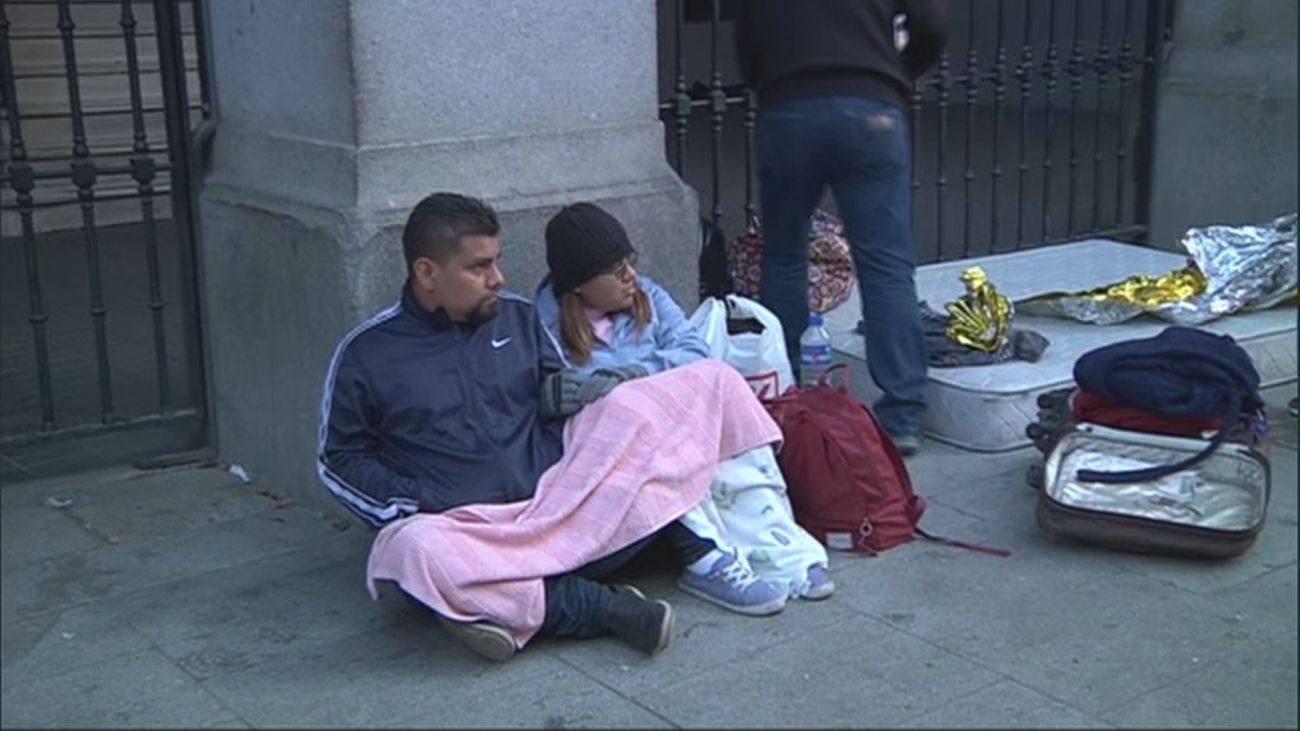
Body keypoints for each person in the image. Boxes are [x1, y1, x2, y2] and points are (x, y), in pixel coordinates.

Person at [317, 193, 783, 663]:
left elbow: (564, 403)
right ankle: (601, 608)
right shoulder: (367, 353)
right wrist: (414, 500)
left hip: (556, 505)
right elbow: (339, 460)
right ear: (426, 273)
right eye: (479, 267)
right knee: (412, 552)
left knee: (649, 404)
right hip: (460, 524)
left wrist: (570, 399)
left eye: (497, 261)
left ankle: (497, 602)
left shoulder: (518, 317)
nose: (498, 278)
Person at [534, 201, 834, 602]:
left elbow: (695, 352)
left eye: (630, 262)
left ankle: (779, 543)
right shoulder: (543, 326)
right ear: (579, 284)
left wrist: (638, 373)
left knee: (720, 378)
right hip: (621, 445)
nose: (631, 276)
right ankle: (707, 559)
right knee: (635, 411)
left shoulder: (648, 295)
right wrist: (573, 394)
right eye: (616, 271)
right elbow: (558, 397)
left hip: (676, 418)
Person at [736, 0, 949, 455]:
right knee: (886, 267)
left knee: (784, 256)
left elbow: (748, 46)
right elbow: (932, 22)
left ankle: (787, 393)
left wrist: (777, 81)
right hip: (871, 102)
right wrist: (898, 72)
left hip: (789, 106)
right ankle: (902, 414)